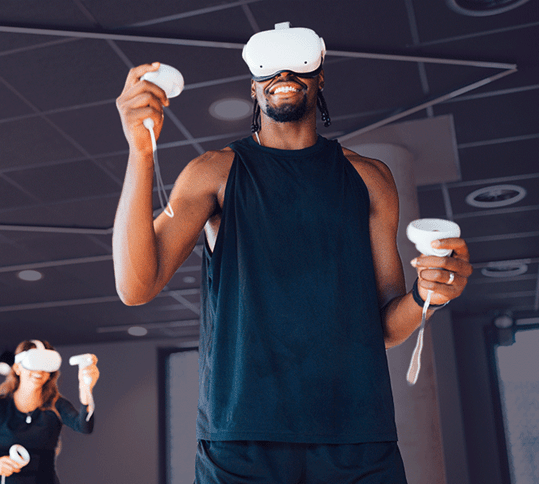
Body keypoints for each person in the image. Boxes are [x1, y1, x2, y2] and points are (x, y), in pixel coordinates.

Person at [113, 22, 472, 483]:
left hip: (357, 437)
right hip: (242, 439)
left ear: (320, 75)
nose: (283, 73)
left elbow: (384, 325)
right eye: (267, 64)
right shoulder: (215, 173)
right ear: (254, 84)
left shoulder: (370, 179)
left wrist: (430, 296)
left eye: (299, 61)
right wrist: (140, 153)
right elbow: (135, 287)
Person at [0, 340, 99, 484]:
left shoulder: (56, 404)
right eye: (33, 363)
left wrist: (86, 389)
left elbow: (85, 426)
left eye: (45, 365)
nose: (39, 370)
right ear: (17, 368)